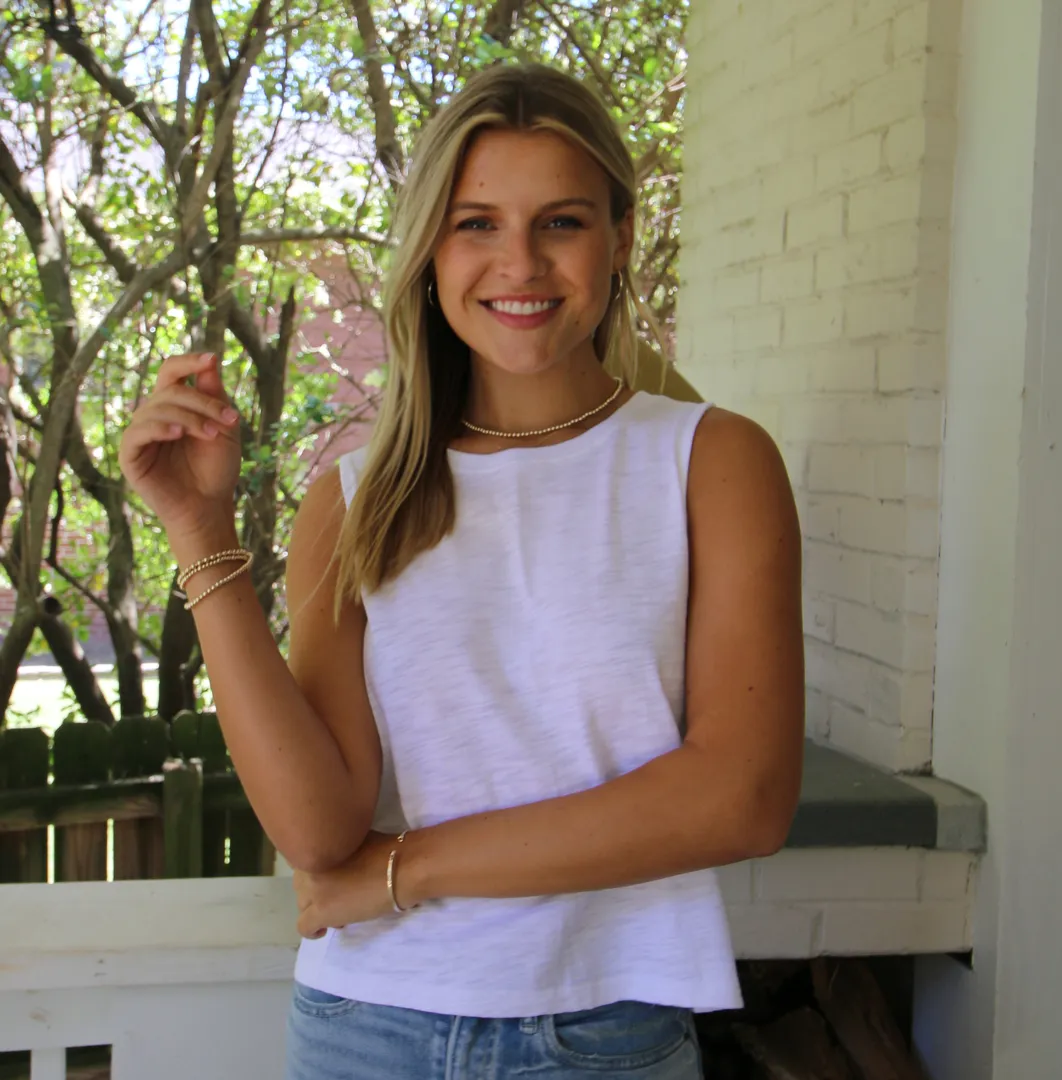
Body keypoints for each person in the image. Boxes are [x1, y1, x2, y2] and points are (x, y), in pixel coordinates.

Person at [120, 62, 804, 1080]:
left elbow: (741, 797)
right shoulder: (355, 497)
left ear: (619, 238)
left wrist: (408, 868)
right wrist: (196, 525)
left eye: (561, 223)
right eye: (476, 223)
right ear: (431, 250)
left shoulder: (711, 461)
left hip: (603, 1030)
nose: (518, 263)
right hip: (366, 1028)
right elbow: (319, 829)